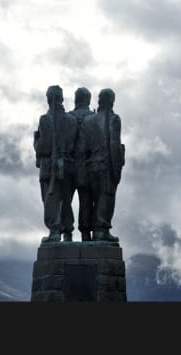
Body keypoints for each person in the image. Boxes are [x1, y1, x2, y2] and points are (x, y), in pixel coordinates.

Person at [33, 85, 79, 243]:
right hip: (69, 166)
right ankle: (68, 232)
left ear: (48, 99)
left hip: (50, 167)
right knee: (66, 200)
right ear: (61, 99)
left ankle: (54, 231)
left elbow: (44, 147)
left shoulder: (45, 119)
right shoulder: (72, 120)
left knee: (51, 200)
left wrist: (36, 142)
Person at [83, 88, 125, 242]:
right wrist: (117, 168)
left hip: (89, 166)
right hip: (106, 165)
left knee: (91, 201)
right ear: (112, 101)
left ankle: (89, 232)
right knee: (105, 198)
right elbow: (114, 144)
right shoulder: (114, 119)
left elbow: (83, 147)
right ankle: (101, 231)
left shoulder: (88, 120)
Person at [68, 87, 95, 241]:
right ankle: (86, 233)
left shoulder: (68, 117)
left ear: (76, 99)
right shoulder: (94, 118)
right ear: (89, 100)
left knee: (66, 201)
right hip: (88, 166)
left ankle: (66, 233)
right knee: (86, 201)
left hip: (68, 166)